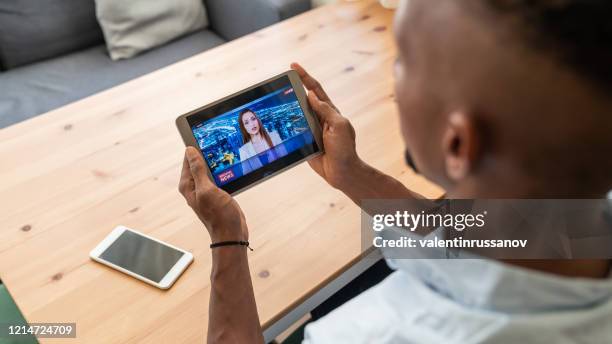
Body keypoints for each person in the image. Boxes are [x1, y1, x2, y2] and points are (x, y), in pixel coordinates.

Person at [178, 0, 612, 342]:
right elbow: (502, 232)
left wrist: (227, 238)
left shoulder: (365, 335)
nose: (392, 79)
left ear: (457, 143)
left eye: (402, 59)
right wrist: (351, 174)